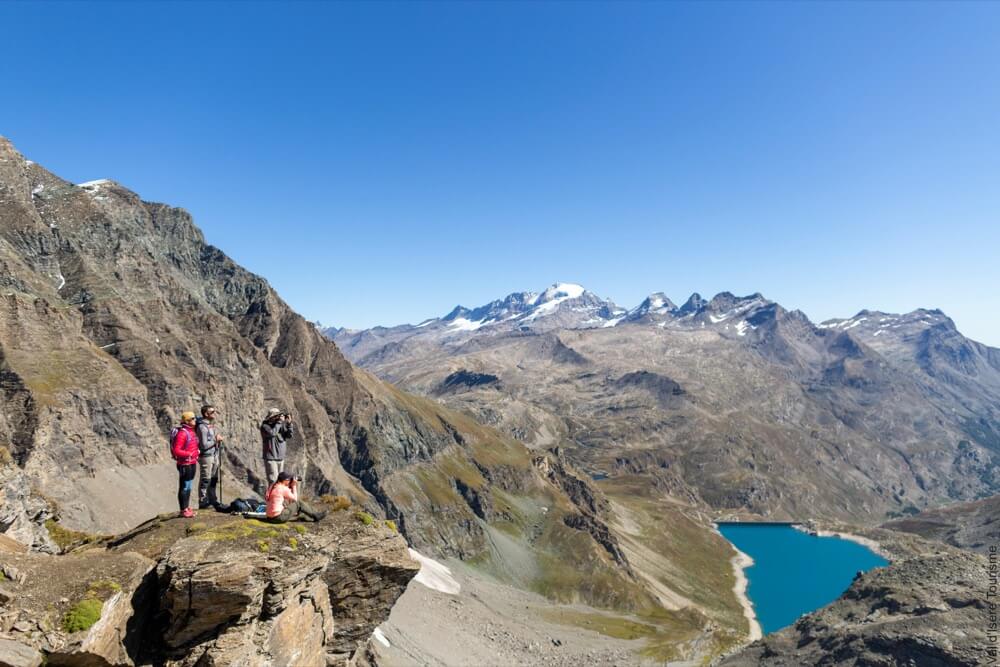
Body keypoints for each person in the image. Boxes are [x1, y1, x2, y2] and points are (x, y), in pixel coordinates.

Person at [171, 411, 200, 518]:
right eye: (193, 418)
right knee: (184, 486)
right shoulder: (182, 433)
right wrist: (189, 453)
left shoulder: (191, 431)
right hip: (185, 464)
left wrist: (196, 453)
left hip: (192, 462)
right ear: (187, 421)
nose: (195, 420)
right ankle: (183, 510)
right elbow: (176, 450)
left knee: (188, 486)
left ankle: (187, 508)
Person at [196, 404, 225, 509]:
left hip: (214, 454)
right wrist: (216, 440)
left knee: (213, 478)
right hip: (206, 456)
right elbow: (203, 445)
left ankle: (213, 499)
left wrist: (216, 438)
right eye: (212, 412)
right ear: (206, 414)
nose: (215, 414)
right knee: (206, 478)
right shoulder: (202, 427)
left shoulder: (210, 425)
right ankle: (203, 501)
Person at [260, 407, 294, 486]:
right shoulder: (265, 426)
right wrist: (279, 423)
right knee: (273, 481)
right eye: (277, 416)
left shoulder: (280, 425)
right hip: (271, 458)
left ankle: (278, 498)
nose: (279, 417)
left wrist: (289, 424)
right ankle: (272, 498)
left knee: (280, 482)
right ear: (272, 417)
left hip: (280, 458)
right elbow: (272, 433)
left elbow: (289, 435)